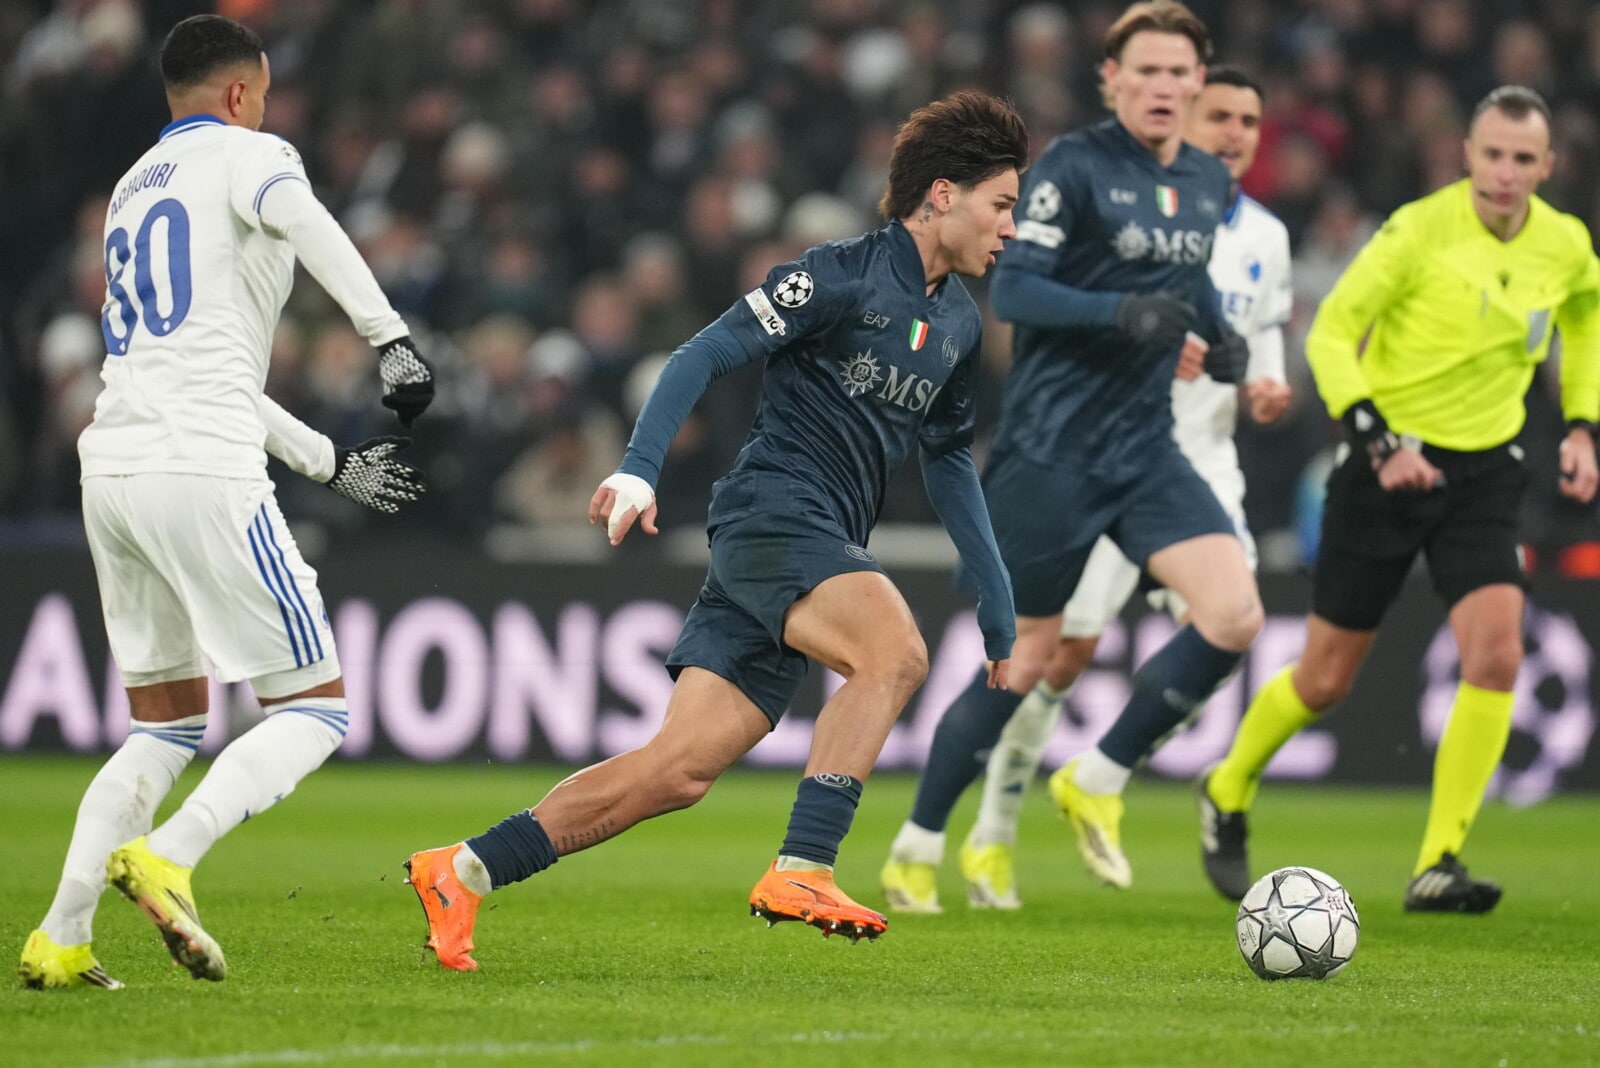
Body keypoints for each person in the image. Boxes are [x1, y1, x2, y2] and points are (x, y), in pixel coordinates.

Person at [402, 91, 1026, 972]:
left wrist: (997, 596)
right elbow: (702, 352)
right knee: (894, 655)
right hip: (776, 513)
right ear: (943, 194)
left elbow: (950, 459)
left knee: (679, 771)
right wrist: (639, 467)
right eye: (1002, 204)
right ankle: (805, 865)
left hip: (807, 540)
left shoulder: (958, 320)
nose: (1010, 228)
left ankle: (464, 869)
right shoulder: (838, 275)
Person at [18, 14, 434, 990]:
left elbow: (206, 368)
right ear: (243, 93)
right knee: (315, 710)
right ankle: (170, 855)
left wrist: (327, 462)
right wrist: (391, 340)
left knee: (163, 727)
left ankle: (60, 937)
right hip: (200, 466)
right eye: (266, 96)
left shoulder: (131, 190)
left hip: (112, 468)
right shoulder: (252, 158)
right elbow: (309, 223)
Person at [882, 0, 1261, 910]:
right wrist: (1120, 313)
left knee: (1235, 614)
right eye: (1147, 70)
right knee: (1026, 662)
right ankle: (916, 843)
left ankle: (1097, 775)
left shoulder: (1204, 178)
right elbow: (1015, 290)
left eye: (1179, 72)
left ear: (1197, 83)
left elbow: (1190, 275)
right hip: (1052, 452)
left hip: (1146, 448)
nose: (1164, 86)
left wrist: (1222, 337)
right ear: (1113, 79)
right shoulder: (1074, 170)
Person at [1197, 85, 1600, 912]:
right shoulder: (1416, 231)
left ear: (1547, 166)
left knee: (1499, 652)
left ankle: (1438, 861)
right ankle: (1227, 785)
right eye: (1494, 155)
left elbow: (1585, 319)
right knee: (1324, 678)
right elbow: (1330, 333)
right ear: (1468, 155)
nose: (1506, 173)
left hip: (1486, 471)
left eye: (1524, 159)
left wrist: (1582, 426)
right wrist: (1380, 442)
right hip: (1383, 466)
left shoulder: (1565, 244)